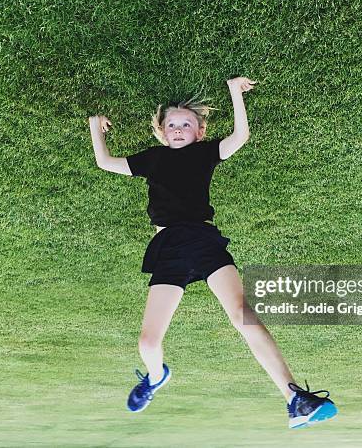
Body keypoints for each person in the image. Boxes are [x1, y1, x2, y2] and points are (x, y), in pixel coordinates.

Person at [88, 77, 337, 428]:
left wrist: (235, 93)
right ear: (161, 130)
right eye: (172, 124)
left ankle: (294, 398)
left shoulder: (205, 153)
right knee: (147, 342)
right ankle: (156, 376)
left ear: (199, 131)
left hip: (203, 241)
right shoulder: (152, 159)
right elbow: (105, 161)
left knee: (242, 314)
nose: (178, 128)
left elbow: (240, 137)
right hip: (168, 249)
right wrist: (94, 127)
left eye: (186, 124)